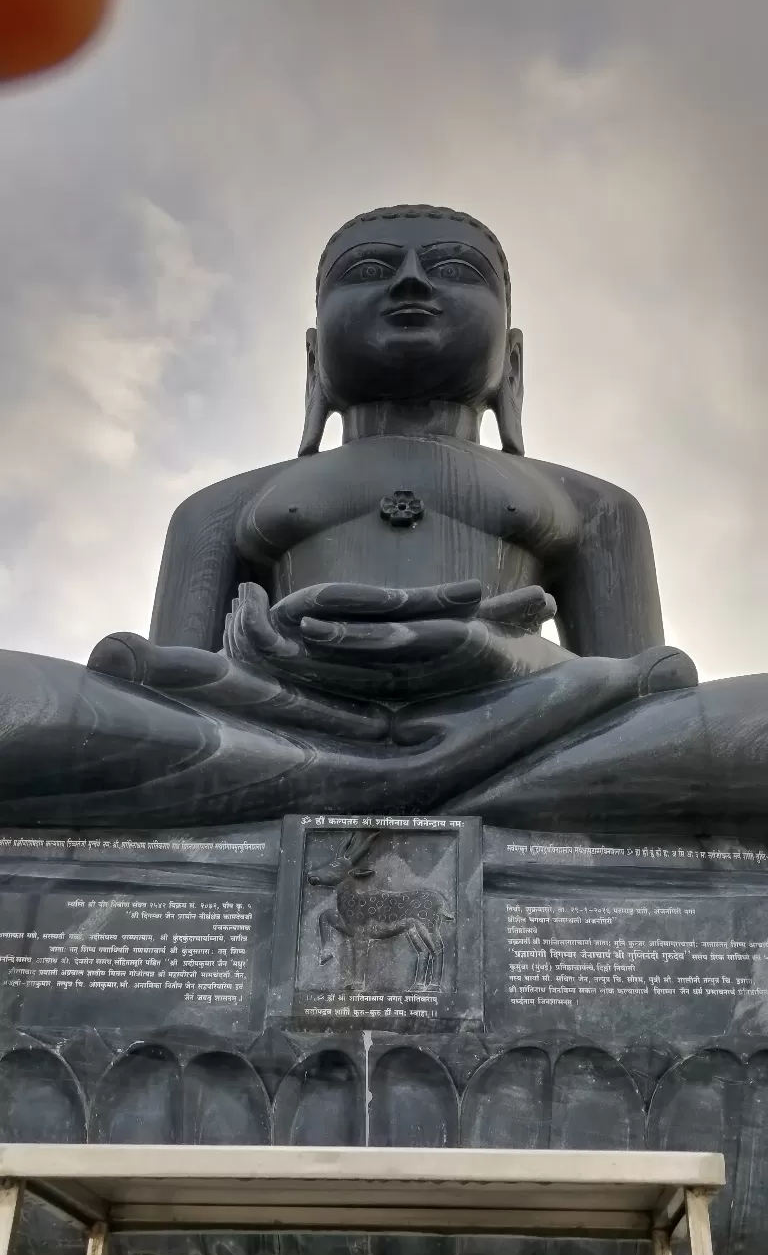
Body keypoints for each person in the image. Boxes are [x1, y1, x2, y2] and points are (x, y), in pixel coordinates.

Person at [1, 205, 764, 833]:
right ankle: (453, 796)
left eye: (455, 271)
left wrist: (524, 663)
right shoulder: (220, 507)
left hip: (528, 729)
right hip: (279, 734)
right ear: (314, 359)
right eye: (367, 272)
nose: (409, 283)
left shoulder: (597, 506)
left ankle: (377, 789)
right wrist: (266, 669)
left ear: (513, 359)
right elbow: (157, 699)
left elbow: (654, 692)